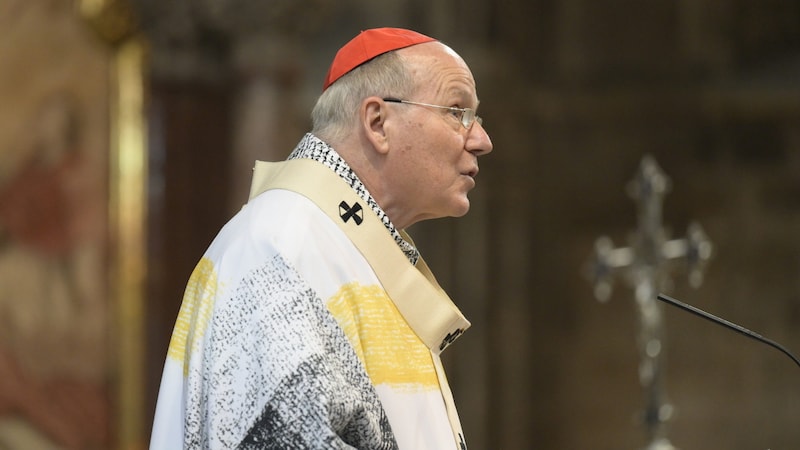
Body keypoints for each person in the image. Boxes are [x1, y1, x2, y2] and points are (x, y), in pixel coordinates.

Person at [149, 27, 493, 450]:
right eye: (457, 112)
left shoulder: (345, 246)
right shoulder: (279, 246)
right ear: (378, 122)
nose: (481, 140)